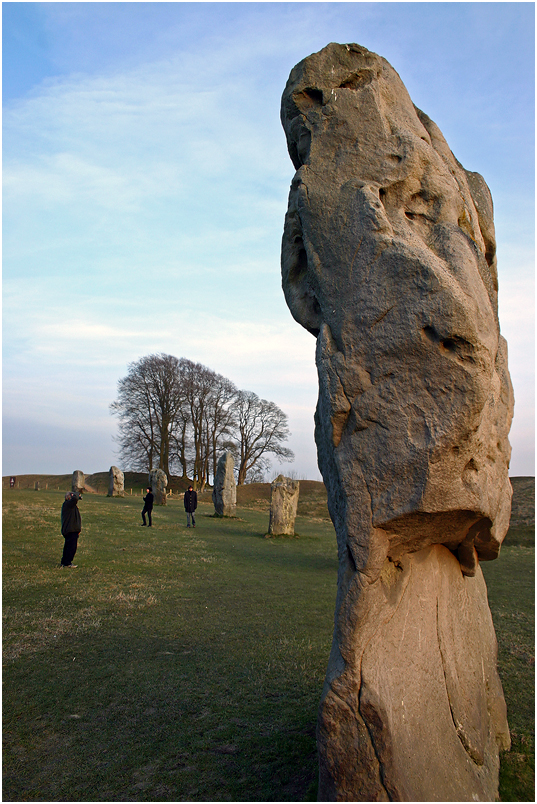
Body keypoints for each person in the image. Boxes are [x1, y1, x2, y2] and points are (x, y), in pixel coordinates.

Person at [60, 491, 82, 568]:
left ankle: (65, 562)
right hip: (70, 530)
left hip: (72, 529)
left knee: (68, 546)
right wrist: (76, 493)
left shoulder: (70, 506)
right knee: (71, 547)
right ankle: (67, 563)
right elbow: (75, 499)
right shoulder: (68, 504)